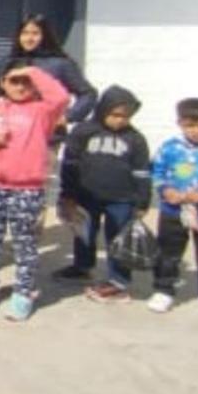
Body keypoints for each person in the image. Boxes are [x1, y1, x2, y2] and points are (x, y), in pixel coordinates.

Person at [0, 62, 69, 322]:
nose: (20, 86)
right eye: (14, 81)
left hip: (27, 189)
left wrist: (32, 71)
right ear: (2, 82)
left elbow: (61, 97)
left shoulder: (42, 112)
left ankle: (23, 291)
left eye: (26, 82)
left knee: (25, 243)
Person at [52, 86, 151, 302]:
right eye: (115, 115)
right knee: (84, 233)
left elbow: (142, 172)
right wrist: (67, 194)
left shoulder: (135, 139)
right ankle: (83, 266)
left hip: (122, 199)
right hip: (87, 195)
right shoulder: (83, 132)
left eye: (125, 116)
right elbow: (70, 165)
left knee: (117, 239)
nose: (120, 120)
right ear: (103, 110)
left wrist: (143, 202)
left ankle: (119, 282)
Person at [146, 97, 198, 313]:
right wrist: (166, 190)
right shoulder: (170, 148)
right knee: (168, 251)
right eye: (190, 125)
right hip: (173, 210)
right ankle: (164, 289)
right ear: (180, 123)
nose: (196, 131)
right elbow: (156, 172)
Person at [10, 13, 97, 124]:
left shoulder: (60, 64)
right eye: (24, 33)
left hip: (48, 133)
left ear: (45, 36)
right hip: (15, 131)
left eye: (35, 33)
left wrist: (68, 117)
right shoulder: (10, 63)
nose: (29, 39)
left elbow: (88, 94)